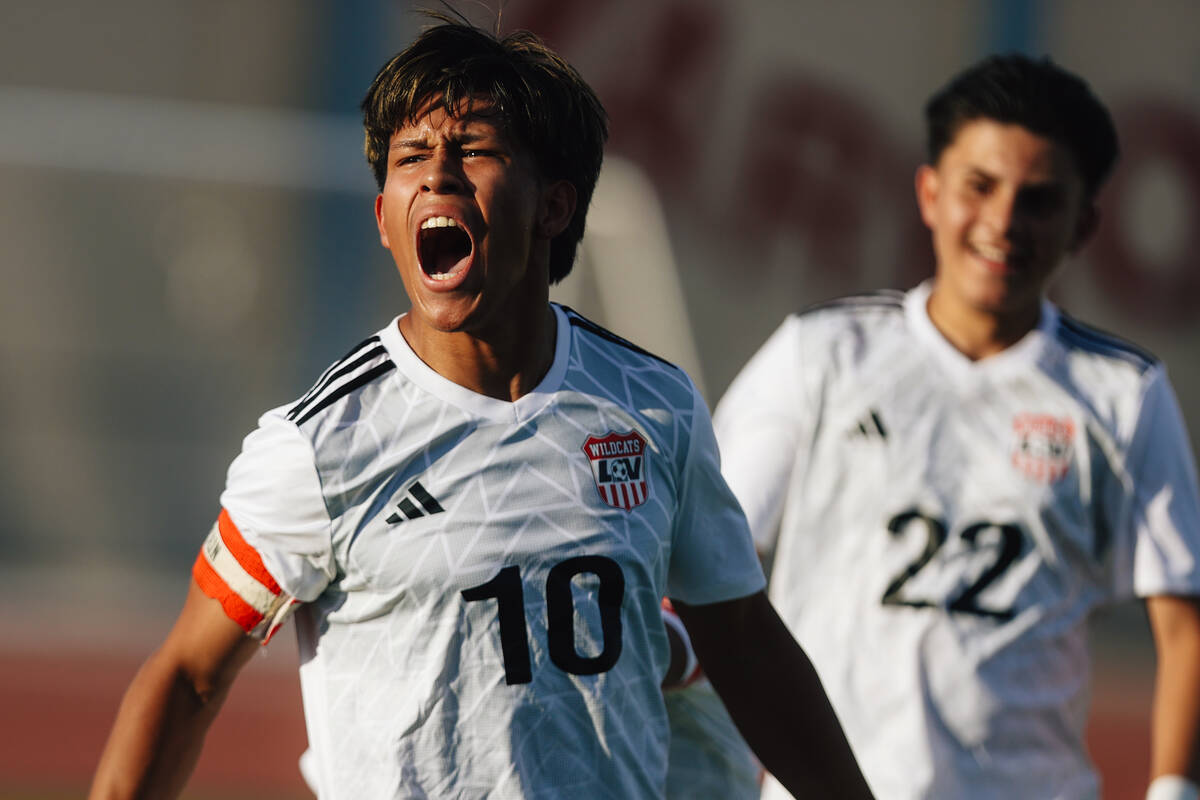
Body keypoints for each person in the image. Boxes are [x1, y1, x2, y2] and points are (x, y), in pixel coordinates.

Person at [88, 16, 872, 800]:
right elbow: (189, 676)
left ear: (553, 207)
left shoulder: (653, 408)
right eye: (411, 158)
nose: (437, 176)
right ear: (386, 223)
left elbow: (741, 639)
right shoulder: (319, 445)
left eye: (473, 151)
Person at [713, 53, 1200, 800]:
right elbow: (708, 566)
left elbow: (1183, 623)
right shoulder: (820, 354)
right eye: (981, 186)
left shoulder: (1124, 394)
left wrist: (1175, 791)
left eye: (1039, 199)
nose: (1005, 221)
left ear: (1085, 224)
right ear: (930, 192)